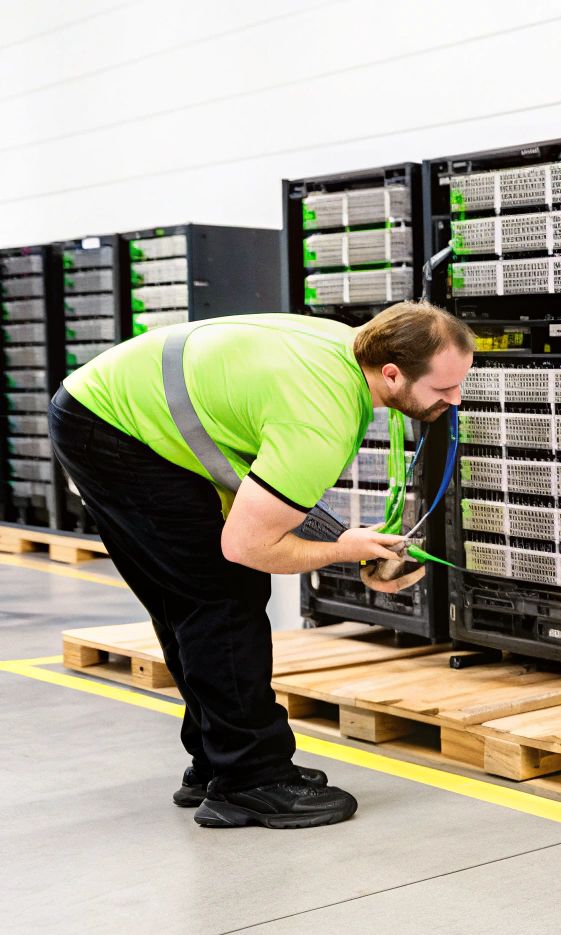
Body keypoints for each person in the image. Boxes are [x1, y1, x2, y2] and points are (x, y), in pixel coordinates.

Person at [49, 303, 474, 830]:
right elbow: (245, 546)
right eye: (444, 389)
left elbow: (260, 484)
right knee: (223, 596)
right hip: (119, 433)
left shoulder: (346, 347)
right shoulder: (322, 416)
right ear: (392, 372)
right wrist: (344, 550)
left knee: (188, 599)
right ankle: (250, 780)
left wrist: (348, 539)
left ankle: (216, 760)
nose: (456, 400)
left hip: (108, 409)